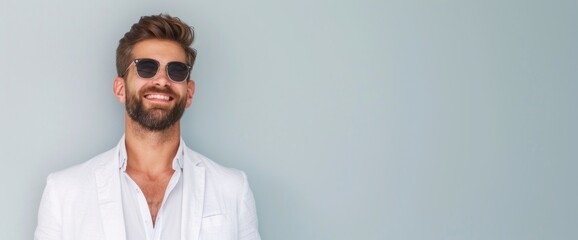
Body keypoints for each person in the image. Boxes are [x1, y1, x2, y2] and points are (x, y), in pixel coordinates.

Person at [34, 14, 261, 240]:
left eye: (176, 71)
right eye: (146, 67)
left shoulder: (232, 189)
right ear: (120, 89)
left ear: (189, 93)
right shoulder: (64, 192)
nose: (162, 80)